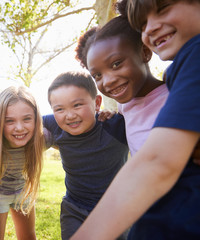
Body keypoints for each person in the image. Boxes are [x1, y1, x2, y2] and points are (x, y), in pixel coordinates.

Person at [70, 0, 200, 239]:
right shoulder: (134, 99)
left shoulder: (192, 59)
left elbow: (157, 162)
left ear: (144, 53)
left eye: (163, 8)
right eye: (142, 24)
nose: (149, 28)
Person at [42, 71, 129, 240]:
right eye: (59, 109)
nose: (69, 115)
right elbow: (24, 120)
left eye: (77, 105)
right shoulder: (55, 124)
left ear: (97, 103)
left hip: (115, 209)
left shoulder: (115, 126)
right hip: (74, 209)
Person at [75, 0, 168, 156]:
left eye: (116, 64)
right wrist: (114, 116)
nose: (108, 81)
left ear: (145, 53)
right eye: (97, 75)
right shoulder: (124, 106)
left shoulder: (174, 95)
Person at [0, 86, 44, 240]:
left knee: (28, 236)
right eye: (9, 121)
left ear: (36, 118)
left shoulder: (42, 138)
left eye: (27, 118)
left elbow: (71, 133)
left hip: (23, 190)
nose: (19, 128)